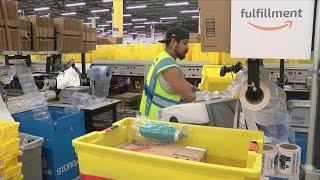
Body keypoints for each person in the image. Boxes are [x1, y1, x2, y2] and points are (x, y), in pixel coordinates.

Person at [139, 25, 199, 120]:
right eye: (185, 43)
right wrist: (212, 100)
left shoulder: (162, 58)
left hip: (150, 118)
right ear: (173, 42)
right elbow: (189, 97)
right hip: (157, 124)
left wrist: (199, 91)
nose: (187, 48)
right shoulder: (170, 68)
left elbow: (183, 84)